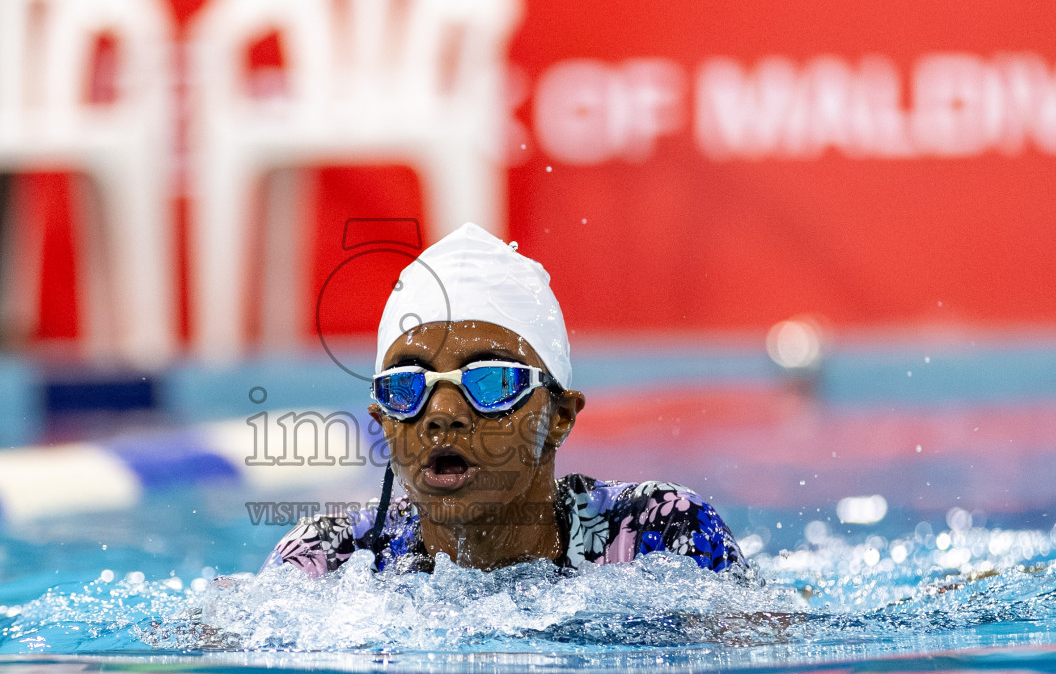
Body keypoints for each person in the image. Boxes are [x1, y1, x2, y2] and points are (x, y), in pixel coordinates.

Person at [265, 223, 743, 577]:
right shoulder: (331, 554)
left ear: (559, 416)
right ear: (383, 421)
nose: (442, 414)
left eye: (490, 380)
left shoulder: (657, 529)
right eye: (407, 386)